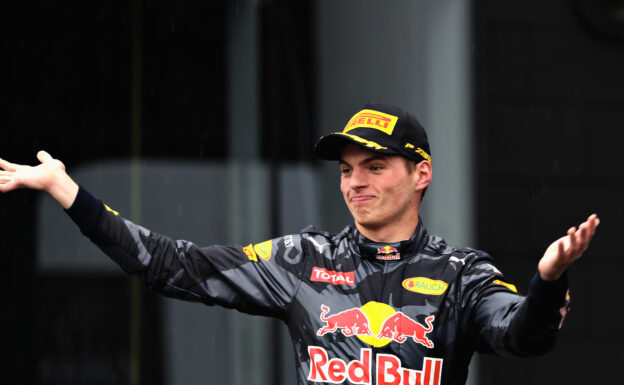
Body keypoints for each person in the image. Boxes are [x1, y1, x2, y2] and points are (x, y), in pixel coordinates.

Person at [0, 103, 599, 385]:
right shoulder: (302, 261)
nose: (355, 182)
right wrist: (69, 193)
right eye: (345, 170)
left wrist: (548, 283)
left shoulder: (462, 273)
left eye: (374, 165)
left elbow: (524, 338)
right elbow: (168, 266)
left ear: (422, 174)